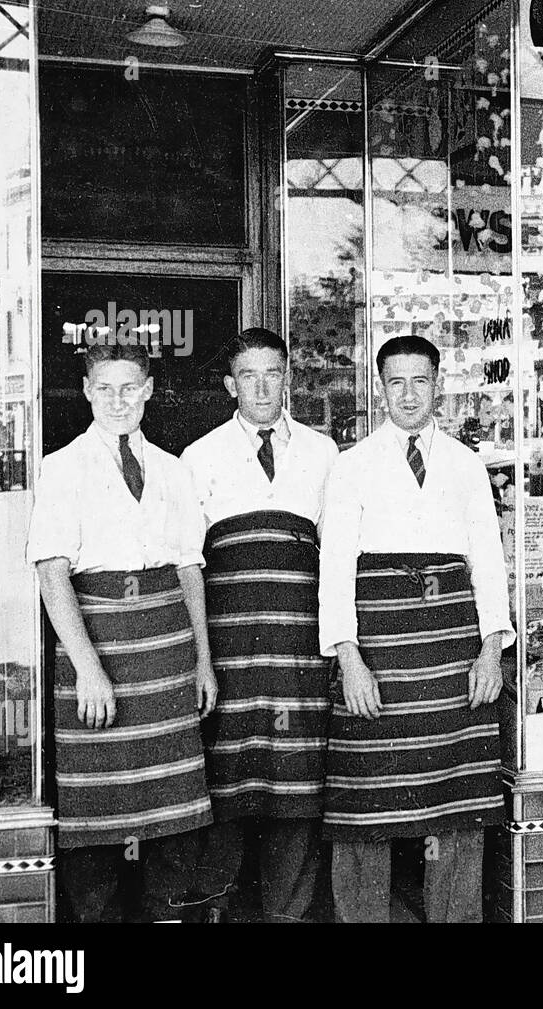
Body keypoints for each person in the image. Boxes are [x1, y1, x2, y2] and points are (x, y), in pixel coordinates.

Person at [318, 334, 513, 923]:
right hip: (380, 650)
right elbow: (335, 569)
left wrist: (490, 653)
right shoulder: (351, 465)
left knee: (458, 809)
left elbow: (488, 558)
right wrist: (348, 659)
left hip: (451, 653)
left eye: (419, 381)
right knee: (365, 808)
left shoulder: (465, 463)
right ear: (381, 389)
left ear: (438, 386)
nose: (408, 394)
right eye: (396, 382)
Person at [26, 340, 215, 922]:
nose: (117, 400)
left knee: (173, 829)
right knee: (96, 832)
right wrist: (88, 669)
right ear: (86, 392)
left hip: (165, 655)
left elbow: (189, 568)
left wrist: (203, 662)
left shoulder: (174, 469)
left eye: (129, 387)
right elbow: (52, 575)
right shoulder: (60, 469)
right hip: (98, 651)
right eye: (104, 388)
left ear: (149, 390)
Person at [180, 328, 339, 923]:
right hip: (232, 650)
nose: (262, 386)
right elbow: (190, 564)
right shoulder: (200, 456)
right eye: (249, 375)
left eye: (273, 373)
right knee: (229, 789)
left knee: (298, 791)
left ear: (288, 378)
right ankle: (220, 912)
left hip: (300, 648)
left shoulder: (324, 452)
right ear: (230, 385)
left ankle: (289, 915)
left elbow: (335, 553)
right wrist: (202, 660)